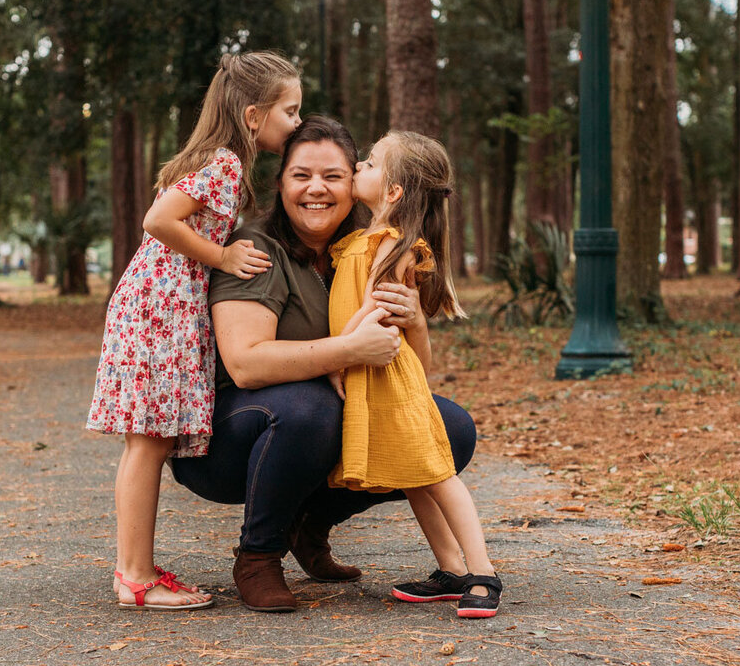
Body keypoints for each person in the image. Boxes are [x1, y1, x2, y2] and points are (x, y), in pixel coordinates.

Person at [168, 117, 477, 612]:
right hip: (228, 440)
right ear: (281, 183)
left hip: (318, 424)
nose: (317, 188)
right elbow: (245, 365)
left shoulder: (372, 248)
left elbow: (412, 376)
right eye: (301, 175)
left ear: (356, 184)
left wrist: (416, 322)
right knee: (313, 408)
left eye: (333, 176)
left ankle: (309, 523)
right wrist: (346, 352)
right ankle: (258, 555)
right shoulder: (255, 250)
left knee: (450, 427)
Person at [86, 51, 302, 610]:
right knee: (149, 441)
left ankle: (136, 568)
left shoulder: (218, 158)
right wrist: (222, 256)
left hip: (161, 303)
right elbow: (157, 221)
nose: (298, 123)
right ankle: (134, 576)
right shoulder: (227, 162)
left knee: (148, 441)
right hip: (161, 305)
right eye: (291, 111)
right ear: (254, 116)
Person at [330, 131, 500, 618]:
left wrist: (338, 357)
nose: (357, 165)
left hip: (390, 373)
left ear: (394, 191)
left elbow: (374, 308)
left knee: (437, 475)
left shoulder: (390, 243)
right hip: (372, 370)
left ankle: (484, 571)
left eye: (370, 162)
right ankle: (451, 570)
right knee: (415, 479)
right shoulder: (362, 240)